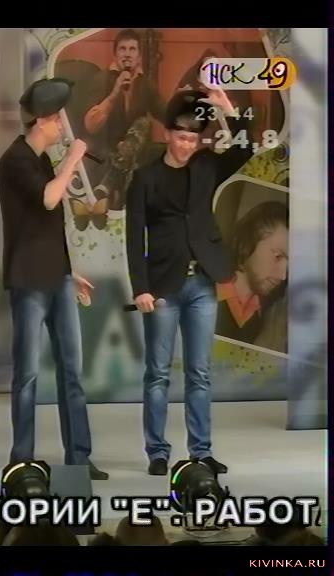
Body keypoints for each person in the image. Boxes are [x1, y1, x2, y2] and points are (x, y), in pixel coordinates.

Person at [125, 88, 253, 476]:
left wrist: (227, 108)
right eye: (181, 138)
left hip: (202, 284)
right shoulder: (145, 178)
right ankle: (157, 452)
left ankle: (201, 452)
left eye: (193, 139)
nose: (186, 145)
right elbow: (133, 238)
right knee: (158, 373)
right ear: (167, 135)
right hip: (163, 286)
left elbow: (244, 148)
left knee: (199, 373)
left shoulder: (205, 168)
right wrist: (140, 288)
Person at [0, 77, 108, 480]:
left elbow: (46, 227)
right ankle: (21, 458)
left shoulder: (42, 161)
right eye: (58, 118)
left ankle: (79, 456)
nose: (62, 126)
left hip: (56, 277)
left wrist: (69, 271)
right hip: (28, 280)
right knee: (27, 374)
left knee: (71, 371)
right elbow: (48, 198)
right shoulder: (15, 160)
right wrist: (73, 159)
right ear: (42, 120)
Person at [83, 29, 166, 217]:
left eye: (132, 49)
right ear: (115, 55)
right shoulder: (101, 80)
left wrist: (186, 107)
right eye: (122, 49)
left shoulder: (145, 84)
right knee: (133, 160)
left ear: (139, 58)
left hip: (133, 153)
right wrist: (114, 93)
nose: (127, 54)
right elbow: (90, 125)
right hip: (107, 149)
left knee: (143, 123)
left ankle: (109, 184)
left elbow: (165, 114)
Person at [216, 201, 288, 352]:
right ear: (248, 241)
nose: (283, 276)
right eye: (278, 256)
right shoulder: (204, 293)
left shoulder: (260, 321)